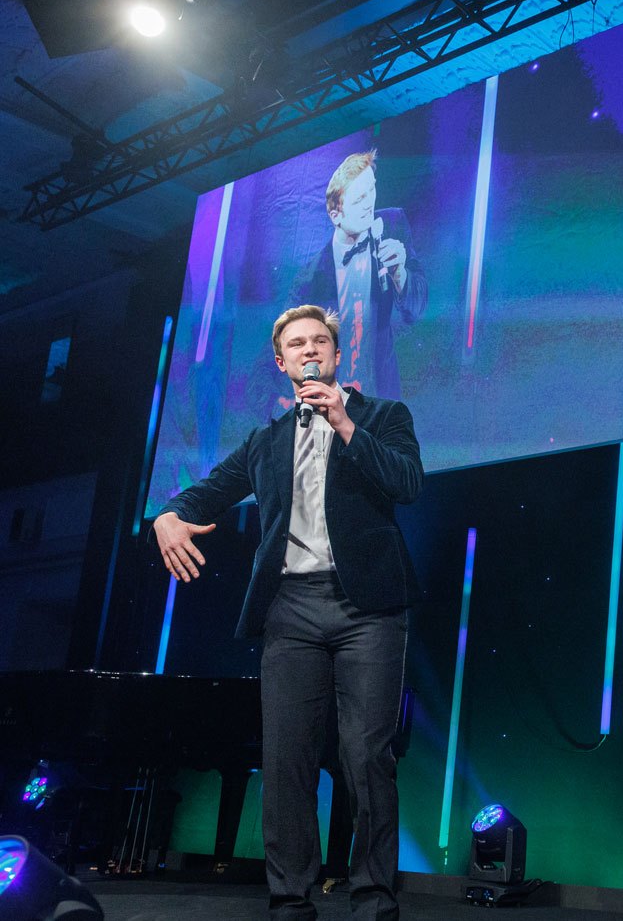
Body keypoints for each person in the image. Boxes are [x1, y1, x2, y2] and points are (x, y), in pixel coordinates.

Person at [153, 305, 423, 921]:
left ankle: (374, 901)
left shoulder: (383, 415)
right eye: (297, 344)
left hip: (368, 609)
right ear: (282, 363)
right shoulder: (265, 441)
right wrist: (167, 517)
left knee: (366, 757)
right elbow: (206, 493)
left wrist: (344, 421)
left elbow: (408, 482)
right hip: (291, 608)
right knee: (287, 759)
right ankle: (290, 901)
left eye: (319, 341)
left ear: (336, 355)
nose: (309, 350)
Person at [290, 150, 428, 398]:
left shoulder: (392, 225)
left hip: (380, 396)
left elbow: (416, 309)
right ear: (336, 216)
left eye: (371, 190)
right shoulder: (312, 277)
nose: (369, 204)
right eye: (359, 199)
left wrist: (400, 274)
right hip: (332, 399)